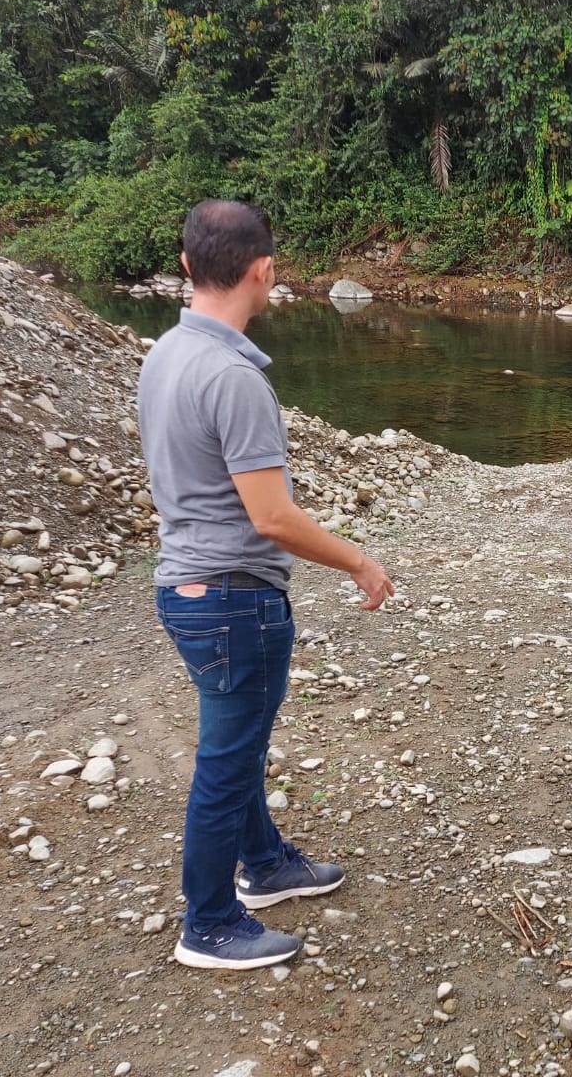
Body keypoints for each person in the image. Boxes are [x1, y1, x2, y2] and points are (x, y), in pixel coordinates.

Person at [138, 199, 395, 968]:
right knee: (228, 758)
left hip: (188, 589)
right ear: (264, 271)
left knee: (239, 742)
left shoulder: (166, 353)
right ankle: (210, 924)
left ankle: (266, 865)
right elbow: (273, 517)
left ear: (187, 265)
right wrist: (359, 561)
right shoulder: (233, 377)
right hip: (231, 599)